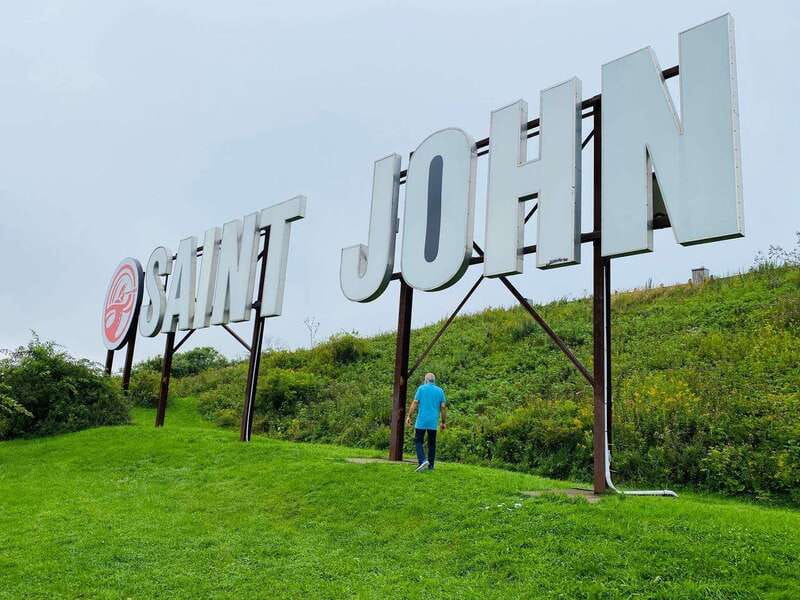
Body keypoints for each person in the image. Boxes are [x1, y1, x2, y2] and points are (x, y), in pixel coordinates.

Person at [405, 372, 447, 472]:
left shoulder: (421, 388)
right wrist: (443, 422)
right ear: (434, 381)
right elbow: (443, 407)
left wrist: (409, 416)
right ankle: (431, 466)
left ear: (425, 380)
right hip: (433, 421)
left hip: (422, 420)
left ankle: (422, 460)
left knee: (418, 441)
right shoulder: (440, 390)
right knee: (432, 443)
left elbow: (415, 403)